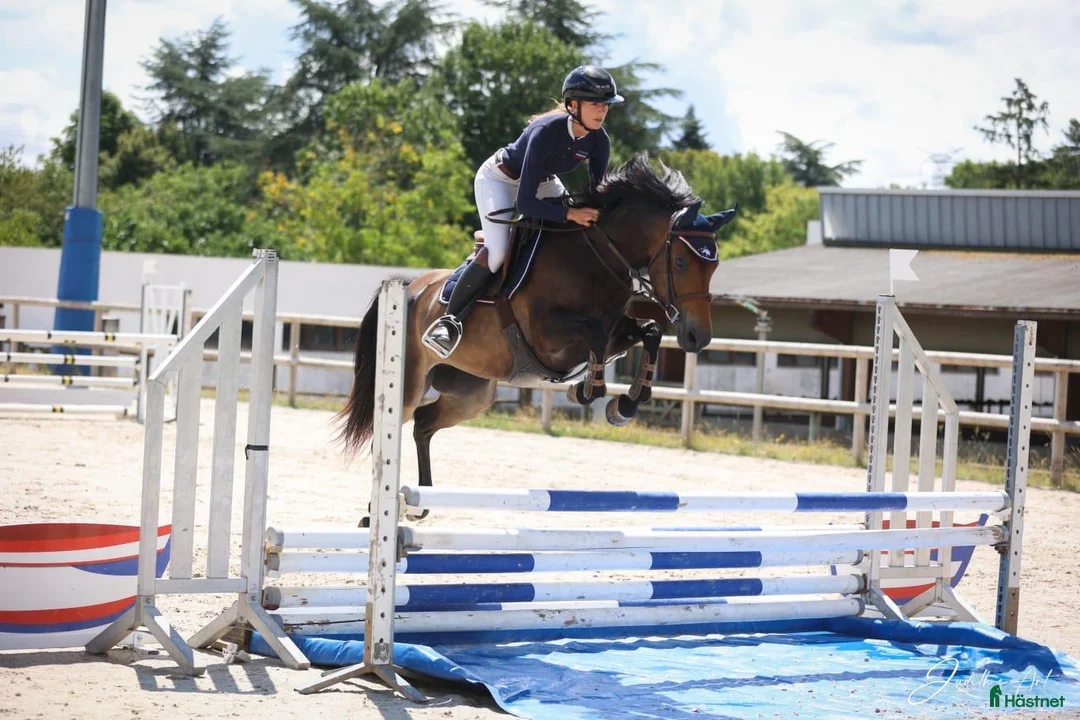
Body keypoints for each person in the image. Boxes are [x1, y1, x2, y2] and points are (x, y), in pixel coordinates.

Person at [422, 65, 624, 359]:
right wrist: (570, 214)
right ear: (572, 105)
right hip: (500, 180)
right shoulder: (545, 131)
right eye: (595, 104)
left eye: (606, 105)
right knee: (499, 253)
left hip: (541, 182)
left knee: (579, 231)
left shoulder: (599, 140)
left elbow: (597, 195)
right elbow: (527, 204)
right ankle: (449, 321)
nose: (602, 111)